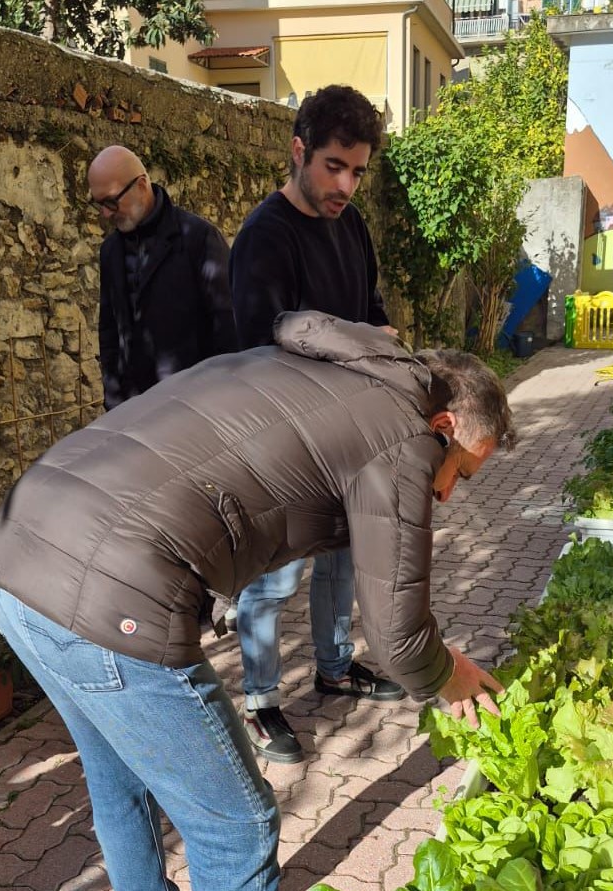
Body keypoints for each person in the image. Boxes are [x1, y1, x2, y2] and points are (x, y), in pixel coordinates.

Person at [0, 311, 514, 891]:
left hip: (15, 555)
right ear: (445, 423)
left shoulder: (346, 369)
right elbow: (397, 637)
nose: (450, 493)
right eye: (461, 471)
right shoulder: (404, 435)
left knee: (118, 773)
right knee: (237, 826)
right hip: (107, 593)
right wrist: (457, 678)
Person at [227, 85, 403, 766]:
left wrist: (378, 336)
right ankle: (261, 703)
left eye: (358, 172)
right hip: (283, 441)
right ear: (298, 150)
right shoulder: (263, 238)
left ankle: (334, 668)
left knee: (340, 559)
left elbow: (370, 302)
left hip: (347, 433)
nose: (346, 185)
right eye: (334, 166)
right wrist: (358, 341)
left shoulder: (350, 225)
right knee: (273, 579)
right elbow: (258, 348)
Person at [87, 145, 237, 409]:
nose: (106, 214)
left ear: (142, 185)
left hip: (193, 409)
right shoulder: (110, 252)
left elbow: (229, 331)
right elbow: (110, 331)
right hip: (132, 413)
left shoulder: (199, 240)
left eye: (111, 201)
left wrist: (215, 403)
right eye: (100, 205)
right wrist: (113, 398)